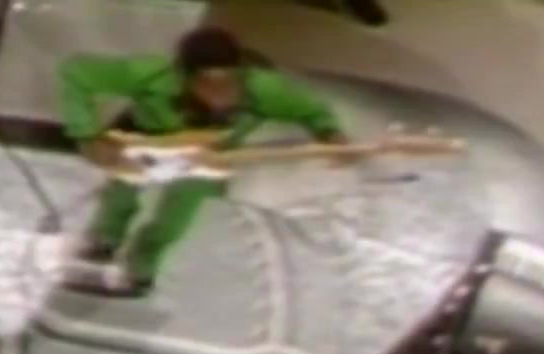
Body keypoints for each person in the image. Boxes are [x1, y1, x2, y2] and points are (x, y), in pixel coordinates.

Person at [57, 28, 348, 296]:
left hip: (208, 154)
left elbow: (312, 110)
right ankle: (104, 240)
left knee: (174, 220)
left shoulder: (265, 90)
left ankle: (141, 269)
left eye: (228, 82)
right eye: (208, 82)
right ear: (184, 76)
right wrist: (87, 134)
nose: (219, 93)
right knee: (119, 196)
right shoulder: (150, 74)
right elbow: (77, 73)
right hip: (146, 139)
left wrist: (330, 133)